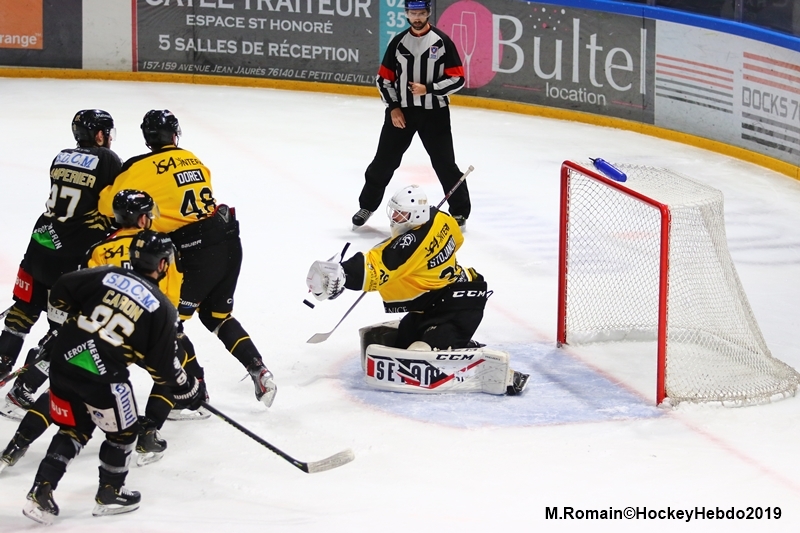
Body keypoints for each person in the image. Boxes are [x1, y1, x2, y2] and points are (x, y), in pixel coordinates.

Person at [21, 231, 207, 525]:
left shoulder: (105, 274)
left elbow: (61, 288)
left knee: (74, 427)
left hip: (63, 363)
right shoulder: (162, 308)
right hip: (103, 378)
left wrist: (72, 322)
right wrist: (188, 389)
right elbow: (163, 367)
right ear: (162, 265)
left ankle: (40, 489)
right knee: (124, 432)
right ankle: (111, 492)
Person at [97, 110, 276, 407]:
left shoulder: (138, 167)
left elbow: (108, 205)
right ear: (175, 135)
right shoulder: (192, 158)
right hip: (228, 238)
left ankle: (196, 391)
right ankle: (259, 369)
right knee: (217, 316)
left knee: (167, 326)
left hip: (196, 251)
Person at [309, 185, 528, 395]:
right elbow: (457, 239)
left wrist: (344, 274)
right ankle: (456, 343)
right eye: (394, 213)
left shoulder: (411, 243)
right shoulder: (441, 218)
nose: (394, 219)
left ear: (415, 216)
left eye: (400, 215)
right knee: (399, 342)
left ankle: (497, 370)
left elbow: (379, 264)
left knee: (419, 353)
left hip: (460, 305)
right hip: (433, 304)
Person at [0, 110, 122, 416]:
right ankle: (22, 390)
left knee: (22, 311)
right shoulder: (107, 160)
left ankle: (1, 365)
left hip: (40, 244)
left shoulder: (61, 156)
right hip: (70, 258)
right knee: (63, 330)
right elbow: (113, 205)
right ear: (99, 135)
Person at [352, 0, 470, 230]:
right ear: (406, 13)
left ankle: (459, 212)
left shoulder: (442, 41)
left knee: (445, 165)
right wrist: (394, 107)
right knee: (383, 163)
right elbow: (384, 79)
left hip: (435, 114)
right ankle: (366, 206)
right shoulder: (398, 42)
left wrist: (429, 89)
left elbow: (458, 78)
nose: (417, 17)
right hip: (402, 113)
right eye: (412, 13)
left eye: (421, 13)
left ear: (428, 13)